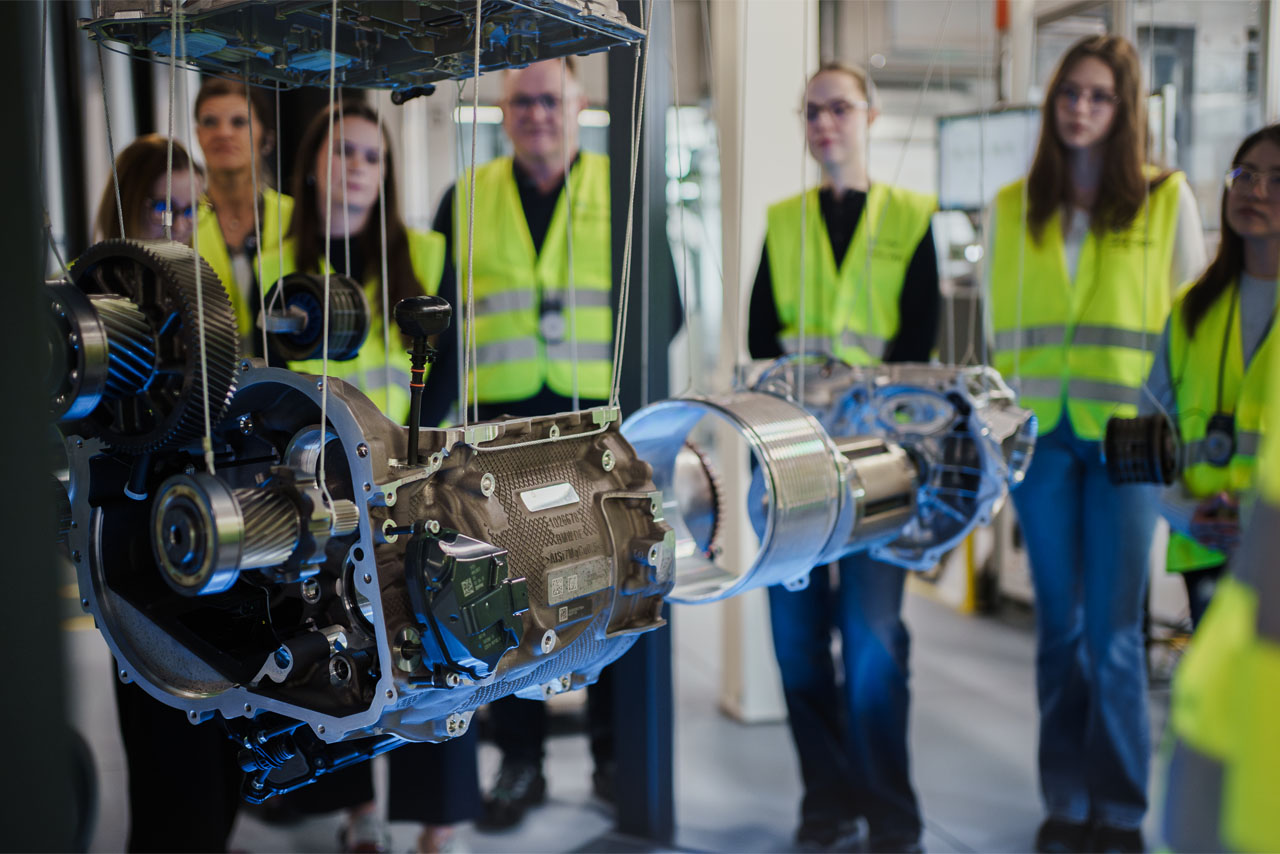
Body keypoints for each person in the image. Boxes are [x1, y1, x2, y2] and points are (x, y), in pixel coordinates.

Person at [986, 35, 1205, 853]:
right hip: (1042, 441)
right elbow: (999, 337)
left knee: (1114, 632)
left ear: (1125, 110)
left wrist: (1179, 448)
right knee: (1058, 632)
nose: (1080, 108)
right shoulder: (1014, 206)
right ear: (1052, 102)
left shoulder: (1165, 198)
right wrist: (997, 440)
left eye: (1099, 96)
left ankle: (1119, 811)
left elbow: (1187, 328)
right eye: (1070, 92)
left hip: (1127, 442)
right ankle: (1065, 797)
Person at [258, 100, 477, 854]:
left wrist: (413, 462)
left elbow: (445, 369)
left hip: (410, 482)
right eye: (340, 153)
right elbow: (269, 387)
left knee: (436, 639)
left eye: (369, 156)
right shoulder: (276, 266)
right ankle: (355, 810)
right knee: (331, 642)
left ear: (385, 174)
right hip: (319, 489)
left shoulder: (421, 249)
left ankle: (436, 824)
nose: (354, 168)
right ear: (311, 168)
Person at [747, 61, 939, 854]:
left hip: (878, 469)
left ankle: (890, 814)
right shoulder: (784, 222)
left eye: (840, 109)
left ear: (871, 116)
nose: (825, 123)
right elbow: (762, 338)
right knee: (796, 647)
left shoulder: (911, 218)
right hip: (790, 468)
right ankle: (825, 803)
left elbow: (919, 347)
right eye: (813, 111)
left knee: (870, 647)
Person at [422, 57, 617, 831]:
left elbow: (658, 308)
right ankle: (520, 760)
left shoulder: (619, 190)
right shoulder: (464, 199)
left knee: (611, 588)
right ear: (504, 113)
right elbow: (439, 327)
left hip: (593, 431)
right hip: (496, 439)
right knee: (510, 602)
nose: (537, 113)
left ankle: (614, 754)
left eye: (550, 99)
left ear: (578, 106)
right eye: (523, 101)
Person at [95, 135, 245, 853]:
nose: (179, 226)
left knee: (219, 761)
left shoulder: (199, 299)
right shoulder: (93, 308)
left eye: (192, 210)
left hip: (201, 547)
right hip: (134, 559)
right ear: (125, 205)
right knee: (170, 775)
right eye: (164, 207)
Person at [1141, 125, 1280, 628]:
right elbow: (1149, 432)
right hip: (1205, 541)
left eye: (1277, 179)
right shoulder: (1192, 308)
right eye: (1244, 175)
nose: (1255, 191)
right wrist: (1181, 511)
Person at [193, 78, 293, 350]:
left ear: (267, 139)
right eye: (210, 122)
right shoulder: (181, 222)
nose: (223, 132)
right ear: (198, 134)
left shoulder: (296, 219)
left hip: (287, 383)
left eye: (239, 122)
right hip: (206, 383)